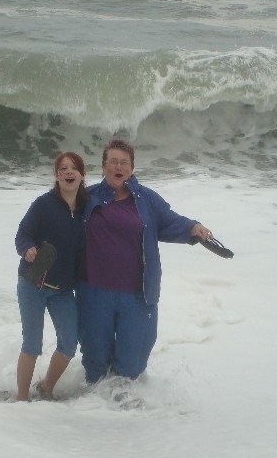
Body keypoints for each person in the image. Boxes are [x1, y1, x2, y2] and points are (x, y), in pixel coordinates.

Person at [77, 139, 211, 384]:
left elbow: (170, 221)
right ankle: (92, 412)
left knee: (131, 368)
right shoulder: (87, 198)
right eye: (113, 161)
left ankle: (129, 416)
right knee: (95, 367)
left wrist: (193, 227)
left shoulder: (146, 199)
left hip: (137, 294)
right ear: (104, 166)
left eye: (124, 162)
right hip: (94, 292)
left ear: (132, 167)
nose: (119, 166)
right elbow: (57, 219)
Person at [14, 152, 88, 401]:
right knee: (32, 345)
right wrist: (27, 249)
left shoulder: (86, 209)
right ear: (56, 175)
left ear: (82, 174)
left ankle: (46, 387)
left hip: (63, 289)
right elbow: (22, 235)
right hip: (33, 283)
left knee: (69, 343)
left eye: (73, 168)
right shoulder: (43, 204)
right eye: (63, 169)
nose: (68, 172)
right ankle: (22, 400)